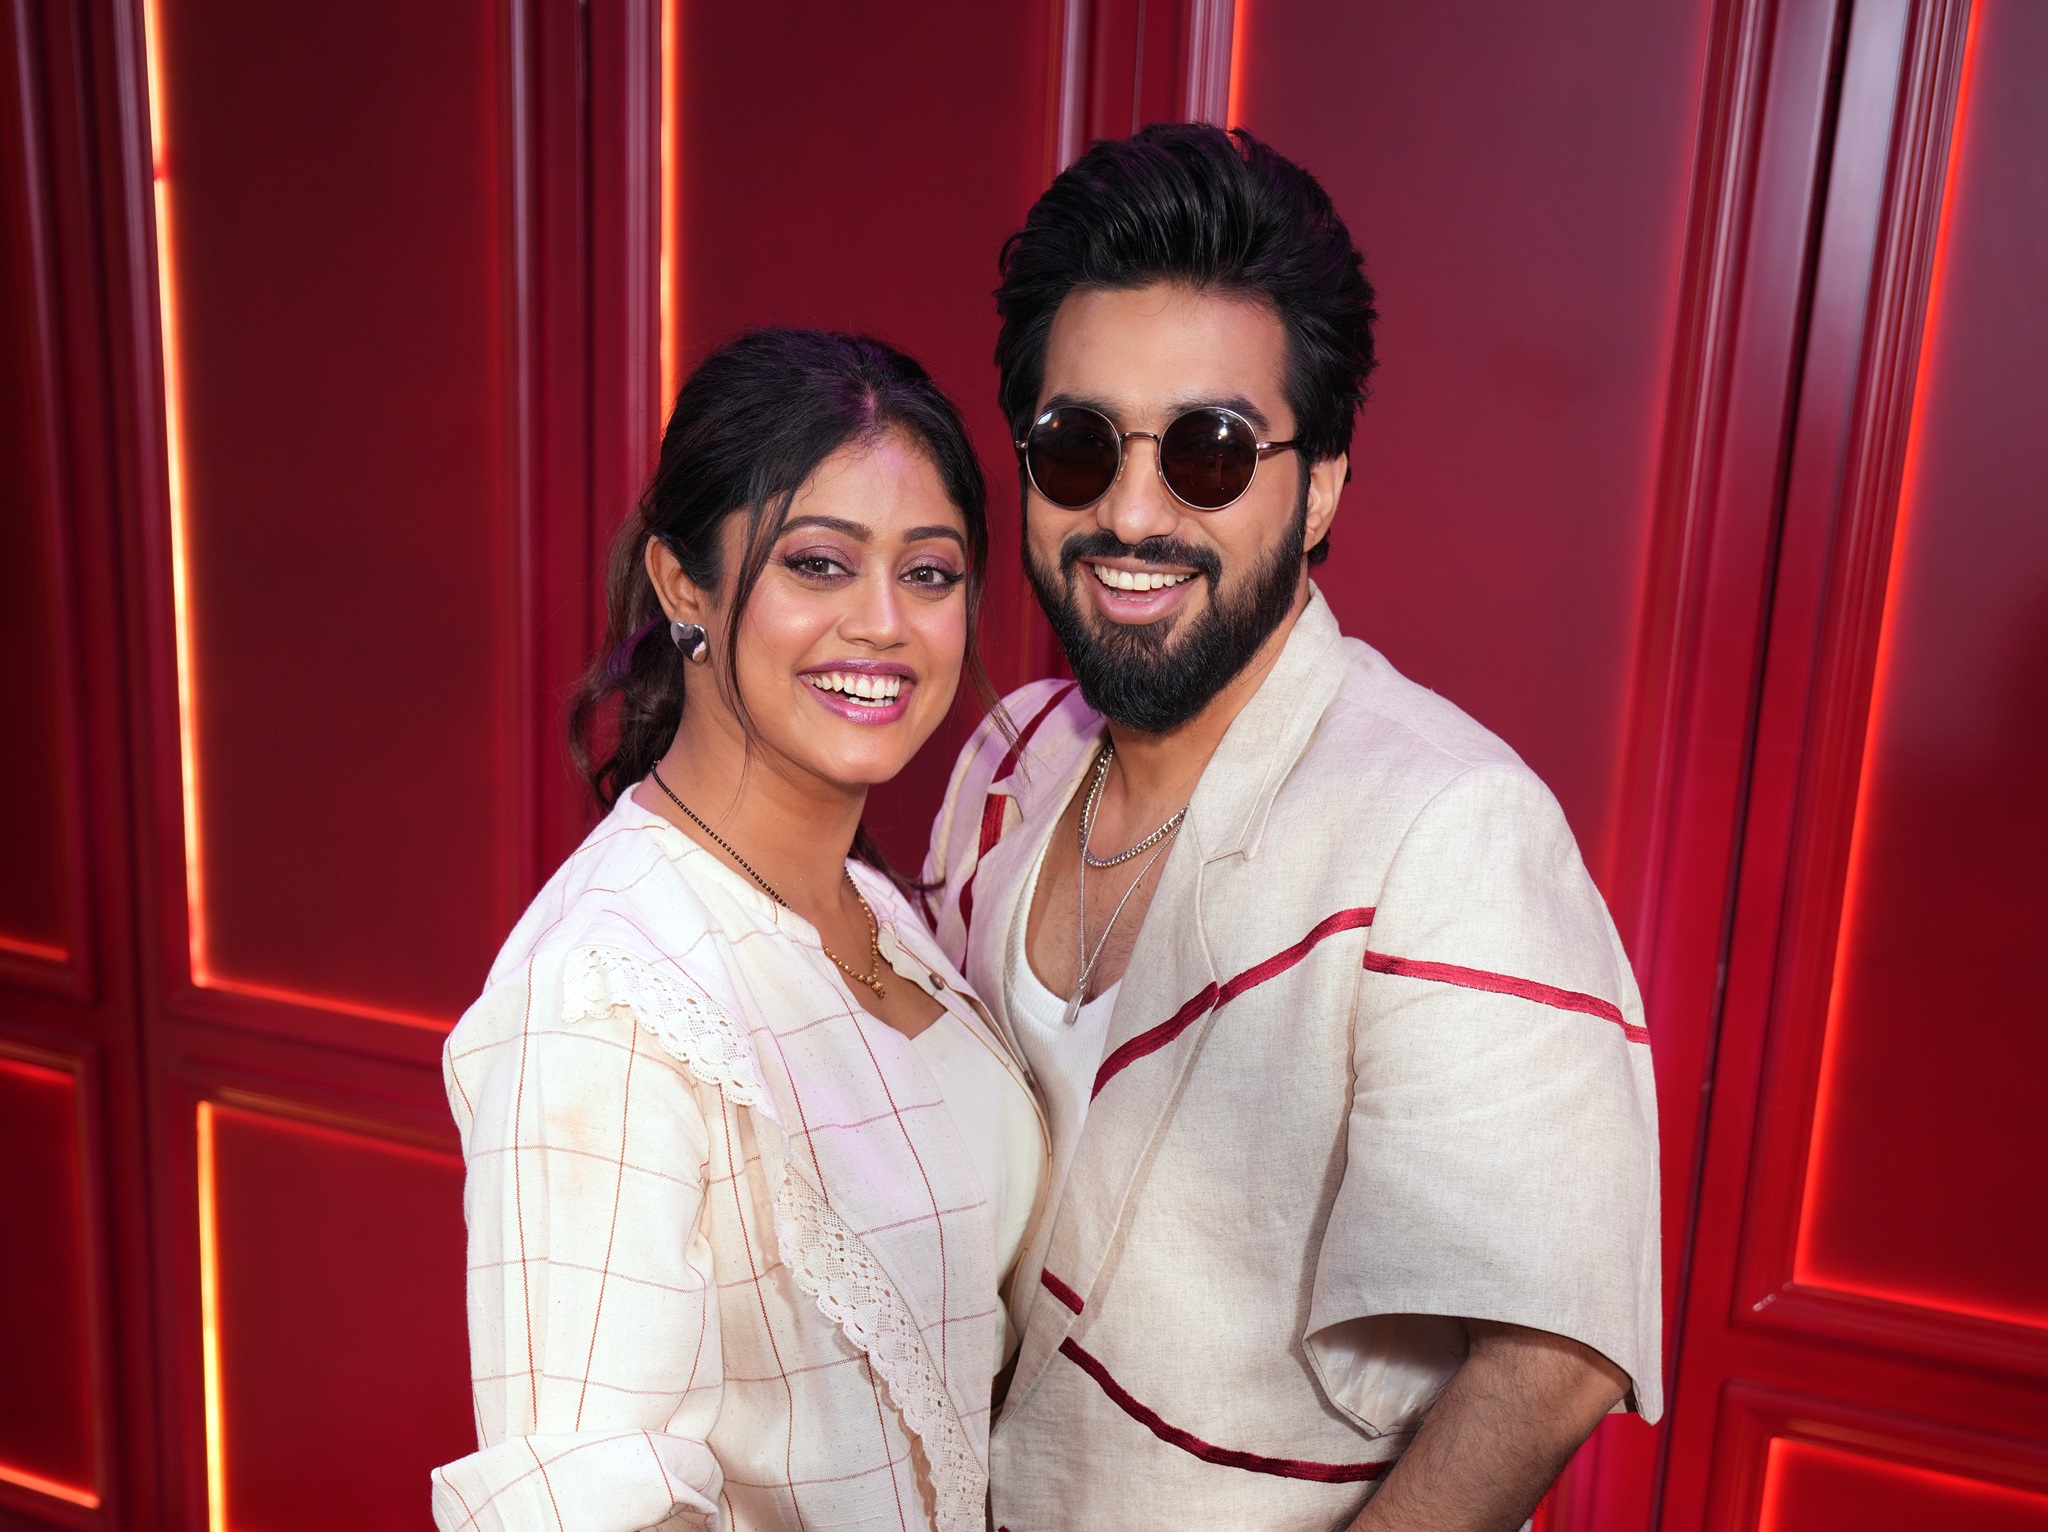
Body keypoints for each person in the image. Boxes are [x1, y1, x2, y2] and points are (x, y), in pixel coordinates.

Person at [923, 125, 1661, 1531]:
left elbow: (1553, 1354)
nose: (1128, 510)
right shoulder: (1006, 756)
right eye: (1078, 445)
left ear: (1317, 485)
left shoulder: (1444, 824)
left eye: (1207, 452)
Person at [433, 328, 1046, 1532]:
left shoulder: (875, 907)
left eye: (929, 572)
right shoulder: (608, 994)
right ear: (682, 585)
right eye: (818, 563)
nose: (884, 621)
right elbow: (592, 1508)